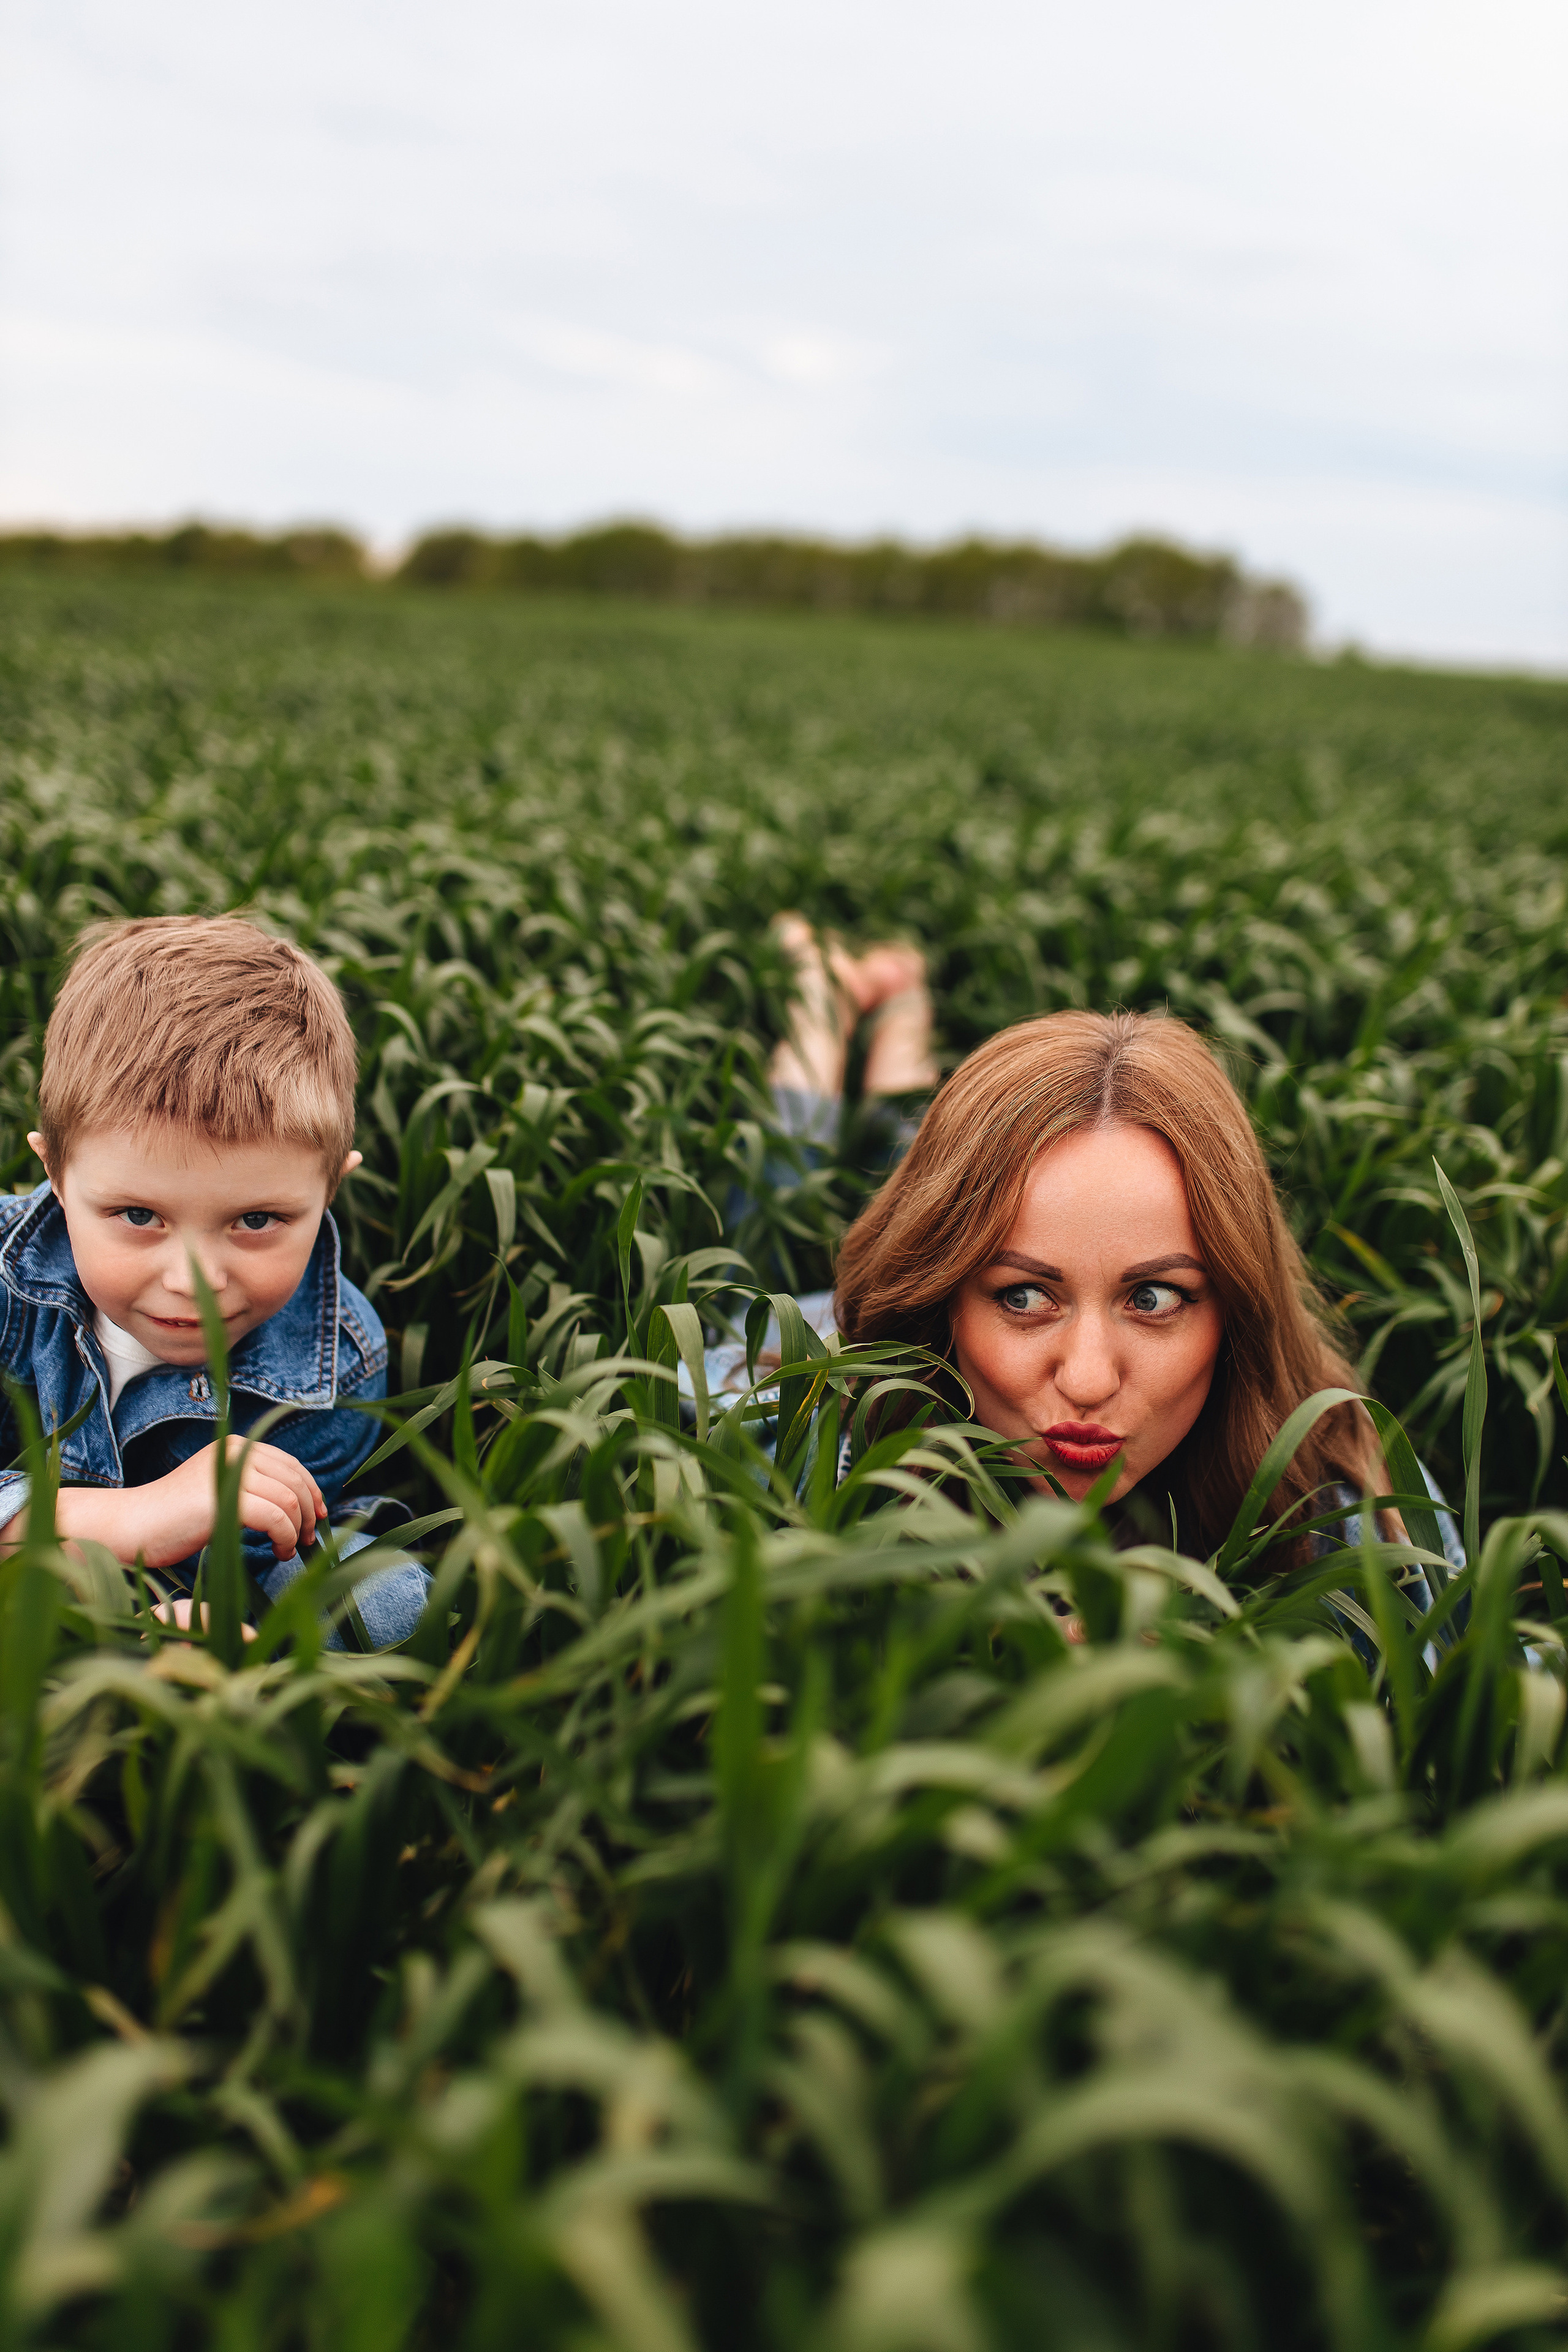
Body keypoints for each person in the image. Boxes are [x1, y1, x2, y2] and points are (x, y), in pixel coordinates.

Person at [832, 1004, 1461, 1568]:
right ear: (939, 1297)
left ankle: (899, 1022)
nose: (1087, 1382)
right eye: (1022, 1296)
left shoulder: (1351, 1512)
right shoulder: (788, 1432)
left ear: (1236, 1309)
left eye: (1152, 1298)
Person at [0, 915, 429, 1649]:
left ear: (329, 1191)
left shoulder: (335, 1358)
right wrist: (125, 1522)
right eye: (139, 1214)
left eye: (256, 1220)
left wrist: (235, 1628)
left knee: (388, 1603)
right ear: (56, 1177)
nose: (193, 1281)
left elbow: (287, 1548)